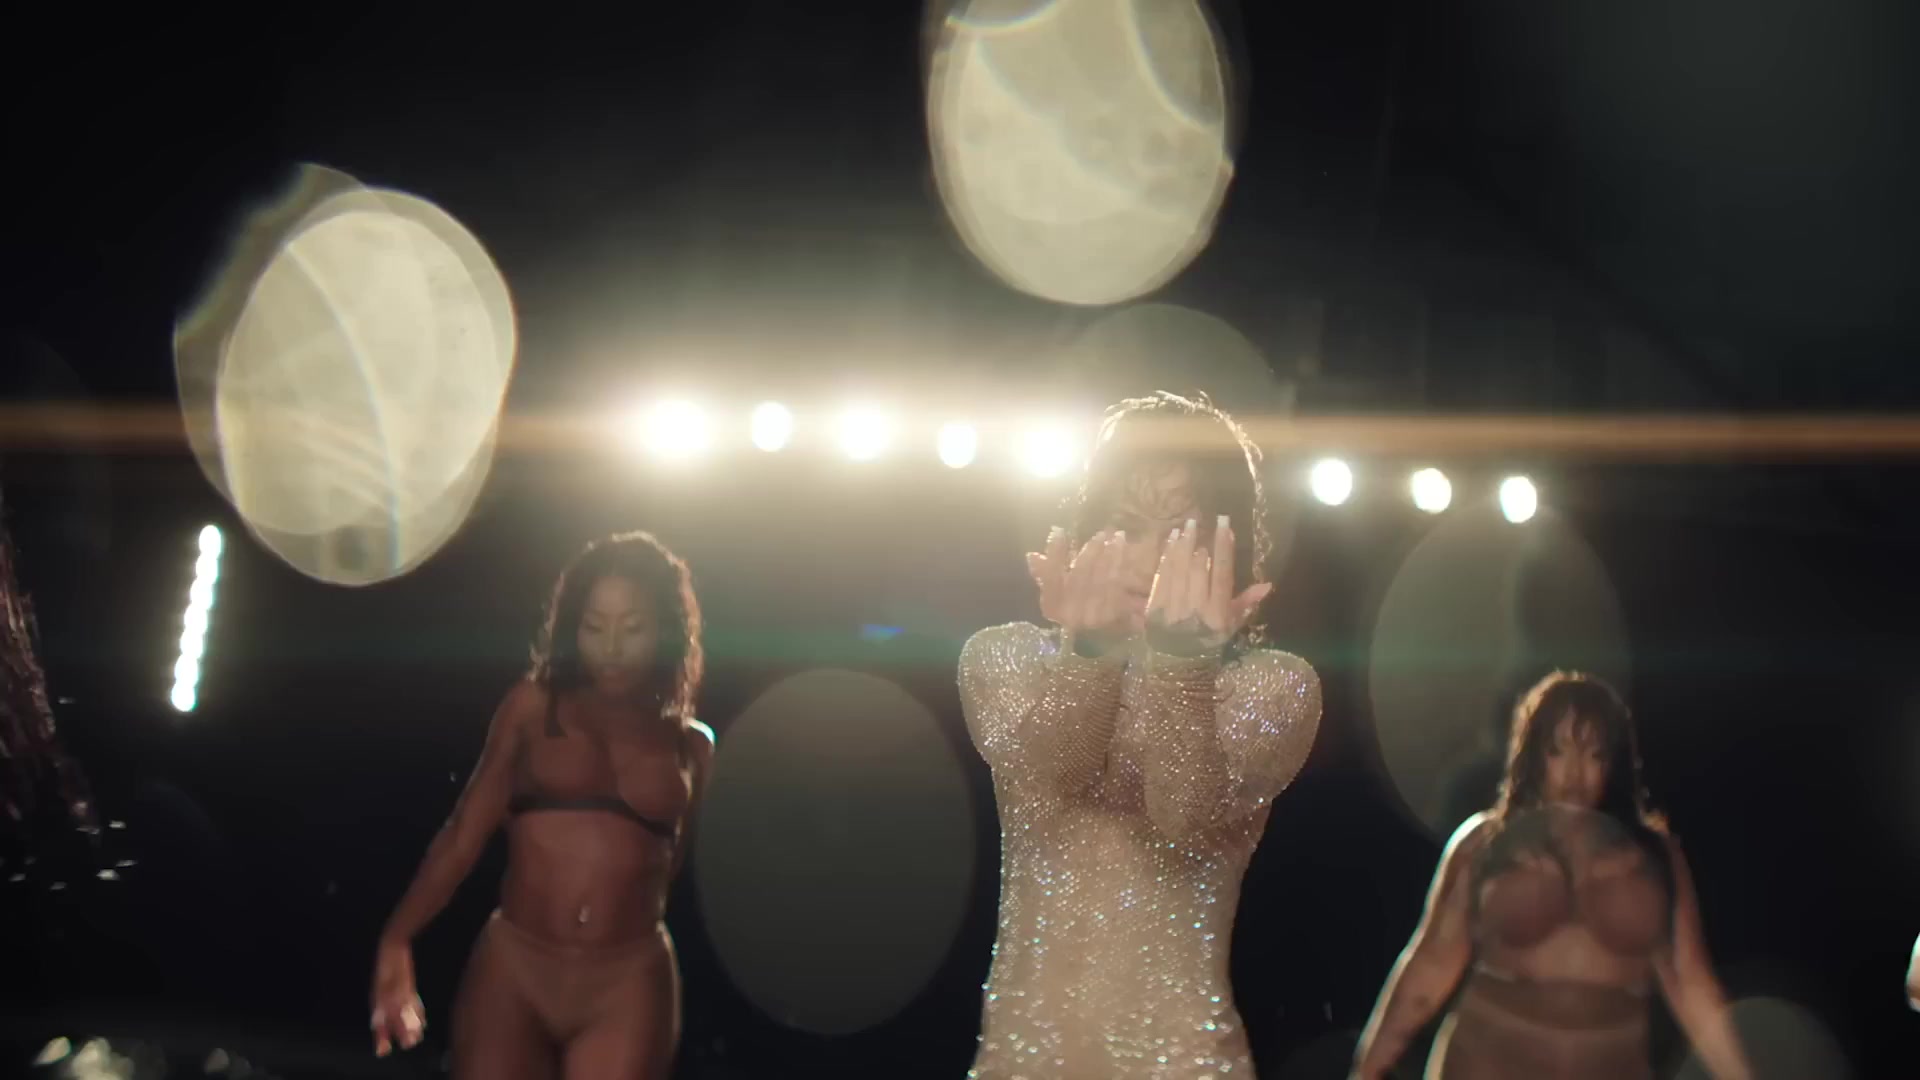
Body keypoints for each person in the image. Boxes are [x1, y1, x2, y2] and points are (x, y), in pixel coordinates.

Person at [958, 391, 1323, 1078]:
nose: (1146, 560)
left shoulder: (1272, 686)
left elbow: (1184, 813)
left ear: (1229, 550)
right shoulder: (1005, 659)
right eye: (1125, 527)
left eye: (1179, 534)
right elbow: (1055, 774)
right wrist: (1091, 653)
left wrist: (1182, 665)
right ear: (1085, 530)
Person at [370, 531, 715, 1080]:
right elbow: (463, 833)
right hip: (518, 965)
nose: (611, 646)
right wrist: (398, 936)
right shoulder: (532, 708)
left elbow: (668, 865)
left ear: (667, 632)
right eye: (594, 626)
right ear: (573, 628)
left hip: (627, 979)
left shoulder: (692, 746)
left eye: (632, 628)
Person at [1351, 672, 1751, 1079]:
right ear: (1534, 755)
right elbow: (1429, 966)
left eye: (1593, 754)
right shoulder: (1485, 844)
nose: (1575, 774)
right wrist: (1367, 1070)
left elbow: (1692, 985)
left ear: (1612, 763)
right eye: (1558, 751)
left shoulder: (1653, 858)